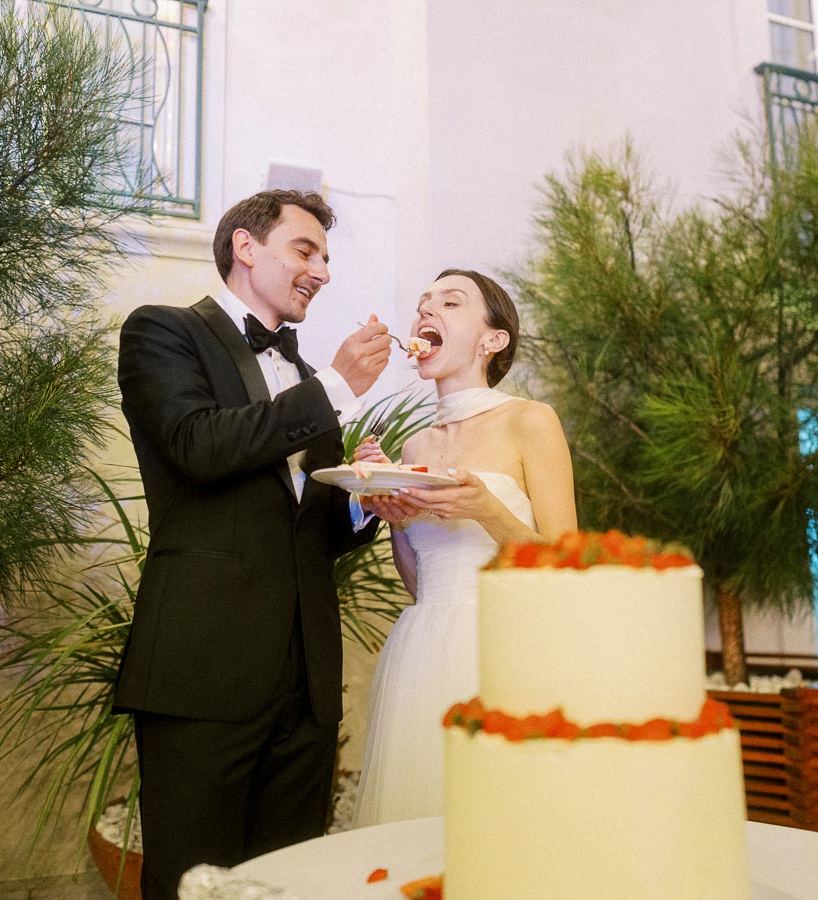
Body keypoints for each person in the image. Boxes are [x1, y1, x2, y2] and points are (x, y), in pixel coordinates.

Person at [113, 189, 392, 899]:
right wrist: (335, 386)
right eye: (306, 250)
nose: (322, 271)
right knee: (192, 883)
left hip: (305, 687)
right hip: (202, 673)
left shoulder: (305, 381)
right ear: (246, 246)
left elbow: (313, 534)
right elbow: (197, 446)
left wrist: (366, 502)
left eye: (326, 258)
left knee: (288, 883)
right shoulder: (163, 331)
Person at [351, 268, 577, 826]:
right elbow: (419, 581)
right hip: (424, 646)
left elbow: (569, 567)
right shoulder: (416, 443)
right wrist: (394, 511)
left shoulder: (530, 420)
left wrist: (488, 510)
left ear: (491, 340)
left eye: (450, 303)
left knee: (505, 826)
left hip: (509, 646)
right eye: (423, 302)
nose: (427, 312)